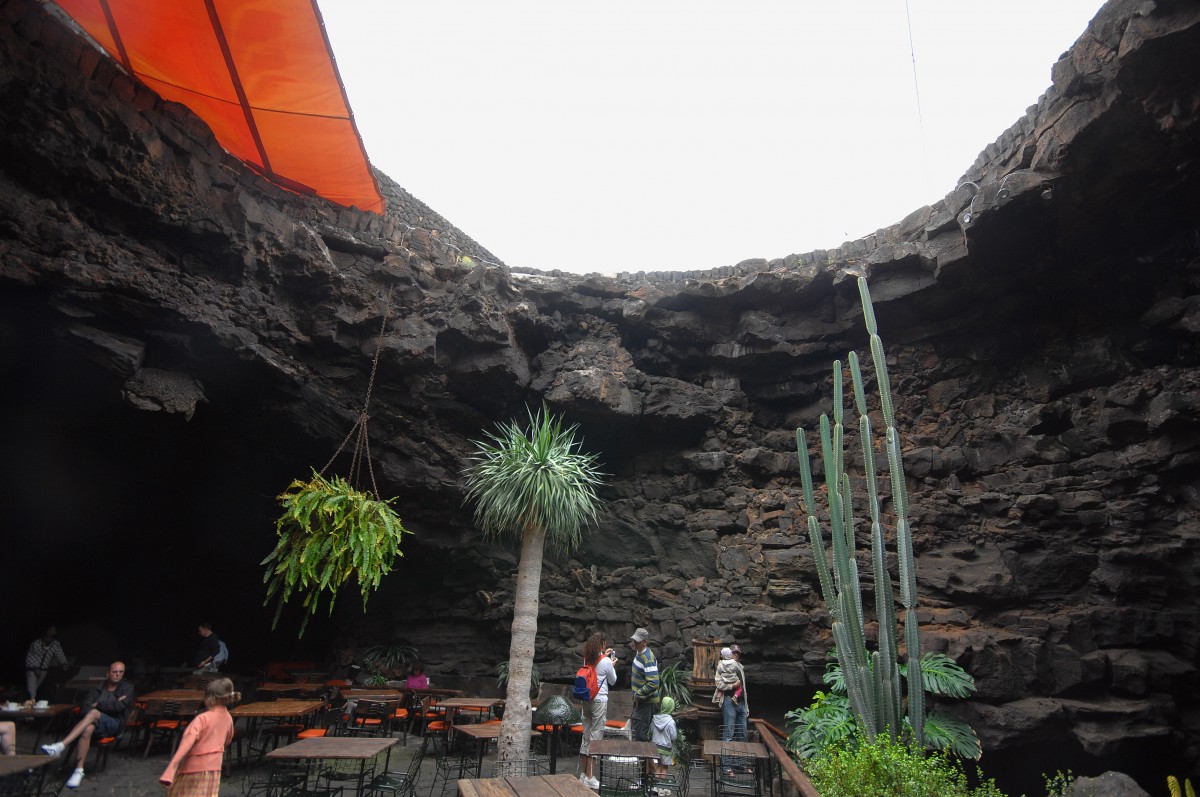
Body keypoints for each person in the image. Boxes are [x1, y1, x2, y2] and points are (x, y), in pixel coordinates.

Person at [41, 661, 135, 789]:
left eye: (121, 672)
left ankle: (61, 745)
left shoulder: (127, 688)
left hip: (115, 725)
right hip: (95, 722)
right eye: (114, 672)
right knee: (87, 729)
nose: (118, 674)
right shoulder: (96, 689)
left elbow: (118, 708)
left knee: (94, 713)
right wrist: (102, 710)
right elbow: (84, 707)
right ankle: (79, 771)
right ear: (108, 673)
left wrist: (98, 706)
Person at [159, 677, 240, 797]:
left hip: (193, 769)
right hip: (214, 769)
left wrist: (171, 770)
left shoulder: (202, 719)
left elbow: (186, 745)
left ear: (210, 698)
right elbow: (227, 740)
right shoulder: (228, 718)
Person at [578, 633, 618, 789]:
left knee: (586, 735)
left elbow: (595, 666)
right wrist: (611, 665)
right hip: (599, 700)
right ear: (602, 645)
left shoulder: (587, 659)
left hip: (586, 699)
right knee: (596, 737)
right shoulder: (607, 662)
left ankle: (583, 774)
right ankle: (590, 776)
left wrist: (604, 656)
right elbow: (613, 681)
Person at [713, 646, 748, 757]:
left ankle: (741, 764)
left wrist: (747, 706)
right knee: (729, 733)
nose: (736, 655)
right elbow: (718, 684)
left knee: (742, 734)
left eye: (738, 653)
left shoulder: (740, 668)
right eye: (734, 652)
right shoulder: (722, 666)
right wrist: (733, 685)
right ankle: (727, 767)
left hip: (741, 703)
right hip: (729, 702)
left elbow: (744, 688)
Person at [628, 627, 661, 743]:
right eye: (634, 640)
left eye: (638, 641)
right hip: (640, 702)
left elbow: (653, 682)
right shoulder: (639, 653)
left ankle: (641, 760)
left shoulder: (648, 658)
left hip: (645, 703)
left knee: (639, 736)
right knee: (637, 733)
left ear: (645, 642)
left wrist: (638, 695)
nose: (635, 642)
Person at [25, 626, 69, 702]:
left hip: (43, 670)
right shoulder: (36, 643)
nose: (51, 632)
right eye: (50, 630)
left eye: (53, 631)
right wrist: (35, 668)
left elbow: (59, 654)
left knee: (35, 689)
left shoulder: (55, 644)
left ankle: (30, 704)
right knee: (31, 690)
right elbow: (31, 657)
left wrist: (64, 663)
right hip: (32, 670)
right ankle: (29, 708)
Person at [651, 695, 678, 790]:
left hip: (655, 747)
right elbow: (674, 737)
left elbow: (651, 731)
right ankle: (662, 788)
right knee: (665, 767)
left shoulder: (655, 719)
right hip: (666, 748)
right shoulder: (671, 722)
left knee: (658, 765)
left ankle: (655, 787)